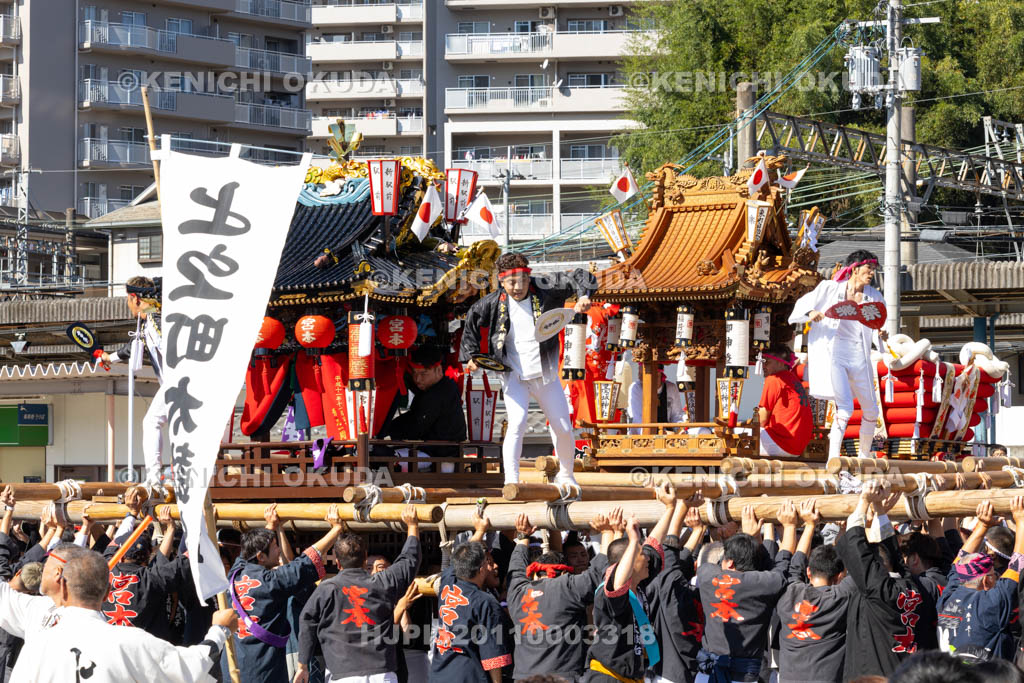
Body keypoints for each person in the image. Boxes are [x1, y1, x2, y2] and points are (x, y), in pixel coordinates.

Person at [0, 543, 236, 682]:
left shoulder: (37, 638)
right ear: (107, 594)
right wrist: (219, 629)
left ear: (61, 582)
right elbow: (192, 667)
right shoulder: (130, 642)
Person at [460, 251, 595, 485]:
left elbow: (583, 276)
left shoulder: (545, 286)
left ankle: (566, 475)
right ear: (501, 281)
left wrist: (583, 296)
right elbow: (470, 324)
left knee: (563, 427)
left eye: (522, 280)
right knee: (518, 422)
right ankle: (511, 480)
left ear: (528, 276)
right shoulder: (491, 303)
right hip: (513, 375)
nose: (518, 287)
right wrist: (472, 357)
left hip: (545, 373)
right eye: (511, 282)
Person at [295, 506, 421, 683]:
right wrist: (412, 525)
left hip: (342, 674)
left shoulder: (327, 588)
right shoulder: (382, 582)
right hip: (382, 674)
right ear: (365, 558)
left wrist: (302, 665)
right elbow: (410, 560)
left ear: (338, 563)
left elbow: (307, 620)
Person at [230, 503, 346, 682]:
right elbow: (308, 559)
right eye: (275, 546)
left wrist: (271, 525)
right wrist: (336, 529)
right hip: (263, 670)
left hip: (235, 667)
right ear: (261, 557)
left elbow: (249, 554)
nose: (278, 550)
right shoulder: (272, 581)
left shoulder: (235, 573)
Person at [788, 250, 886, 460]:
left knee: (871, 410)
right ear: (855, 268)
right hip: (835, 354)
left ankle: (864, 457)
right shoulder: (830, 289)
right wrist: (811, 313)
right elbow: (801, 306)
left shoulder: (874, 297)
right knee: (845, 408)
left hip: (860, 354)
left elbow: (879, 322)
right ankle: (833, 458)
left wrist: (881, 333)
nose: (872, 273)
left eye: (874, 269)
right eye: (869, 268)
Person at [837, 481, 937, 679]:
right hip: (904, 673)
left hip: (875, 676)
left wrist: (864, 500)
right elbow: (893, 552)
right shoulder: (910, 583)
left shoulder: (877, 589)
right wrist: (878, 507)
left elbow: (855, 545)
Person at [695, 502, 799, 683]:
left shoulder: (706, 575)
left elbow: (716, 565)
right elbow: (783, 560)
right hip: (742, 677)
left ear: (729, 562)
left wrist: (748, 536)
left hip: (706, 675)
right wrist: (790, 526)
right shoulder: (764, 583)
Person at [583, 482, 676, 682]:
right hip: (606, 677)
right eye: (642, 555)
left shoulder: (640, 581)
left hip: (633, 675)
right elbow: (618, 583)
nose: (648, 558)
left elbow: (654, 543)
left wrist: (670, 507)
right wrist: (633, 541)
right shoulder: (607, 590)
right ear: (629, 561)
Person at [506, 510, 614, 682]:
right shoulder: (566, 587)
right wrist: (607, 533)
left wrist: (522, 537)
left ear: (535, 572)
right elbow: (597, 572)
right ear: (563, 572)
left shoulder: (517, 592)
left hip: (524, 678)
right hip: (562, 677)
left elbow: (516, 569)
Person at [100, 275, 167, 489]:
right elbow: (133, 346)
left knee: (151, 422)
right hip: (178, 383)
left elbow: (170, 348)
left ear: (134, 298)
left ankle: (155, 479)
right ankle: (160, 477)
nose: (128, 305)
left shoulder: (156, 320)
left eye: (127, 300)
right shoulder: (151, 319)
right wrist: (109, 357)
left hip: (178, 383)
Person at [776, 501, 854, 683]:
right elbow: (860, 564)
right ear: (840, 576)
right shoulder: (840, 597)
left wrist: (809, 525)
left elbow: (796, 564)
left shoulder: (789, 593)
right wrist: (849, 530)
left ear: (809, 572)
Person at [937, 498, 1024, 660]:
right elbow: (1017, 566)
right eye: (994, 575)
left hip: (951, 672)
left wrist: (983, 525)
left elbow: (958, 563)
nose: (997, 577)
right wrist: (1021, 521)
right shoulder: (992, 603)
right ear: (986, 581)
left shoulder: (948, 599)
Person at [97, 506, 190, 638]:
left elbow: (113, 545)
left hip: (111, 645)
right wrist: (170, 528)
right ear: (147, 559)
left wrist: (132, 513)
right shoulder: (151, 578)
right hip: (147, 648)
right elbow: (185, 557)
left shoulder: (104, 571)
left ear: (121, 557)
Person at [428, 538, 511, 681]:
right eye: (487, 562)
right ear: (481, 569)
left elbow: (456, 564)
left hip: (439, 673)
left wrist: (478, 533)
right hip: (468, 676)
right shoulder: (485, 602)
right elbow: (492, 654)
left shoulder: (447, 585)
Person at [378, 346, 467, 473]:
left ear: (438, 370)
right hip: (431, 451)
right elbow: (413, 418)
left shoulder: (440, 393)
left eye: (423, 373)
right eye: (414, 373)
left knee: (381, 457)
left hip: (439, 454)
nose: (417, 379)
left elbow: (415, 426)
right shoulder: (436, 388)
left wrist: (385, 432)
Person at [646, 497, 707, 683]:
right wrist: (698, 530)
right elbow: (677, 562)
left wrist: (681, 507)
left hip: (667, 675)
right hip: (698, 675)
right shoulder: (711, 595)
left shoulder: (671, 593)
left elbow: (671, 560)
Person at [757, 346, 813, 458]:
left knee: (733, 434)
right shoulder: (793, 379)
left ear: (781, 363)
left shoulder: (774, 379)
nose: (763, 366)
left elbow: (761, 420)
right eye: (763, 362)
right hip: (797, 448)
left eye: (767, 362)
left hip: (780, 443)